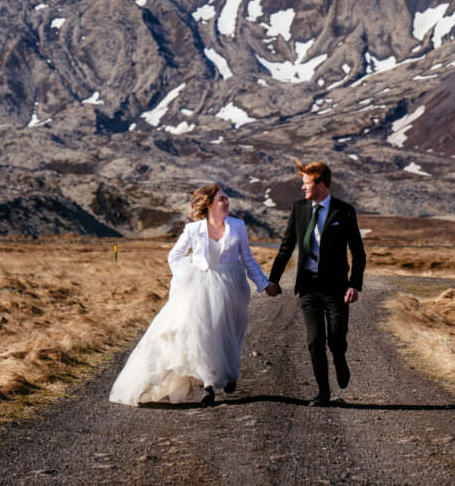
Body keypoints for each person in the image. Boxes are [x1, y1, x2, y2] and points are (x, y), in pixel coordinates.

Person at [109, 184, 274, 407]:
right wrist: (188, 274)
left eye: (226, 198)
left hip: (234, 286)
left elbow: (248, 259)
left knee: (229, 333)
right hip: (203, 288)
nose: (227, 202)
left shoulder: (237, 227)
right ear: (209, 204)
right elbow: (174, 256)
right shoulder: (193, 230)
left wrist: (264, 284)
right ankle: (209, 385)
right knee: (205, 334)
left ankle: (230, 374)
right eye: (222, 199)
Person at [266, 160, 365, 406]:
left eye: (306, 183)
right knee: (314, 341)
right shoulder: (299, 209)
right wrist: (273, 280)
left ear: (320, 184)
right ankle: (323, 393)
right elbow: (287, 246)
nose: (303, 188)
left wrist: (355, 284)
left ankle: (340, 358)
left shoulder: (344, 211)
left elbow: (358, 252)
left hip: (336, 288)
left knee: (336, 338)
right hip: (308, 287)